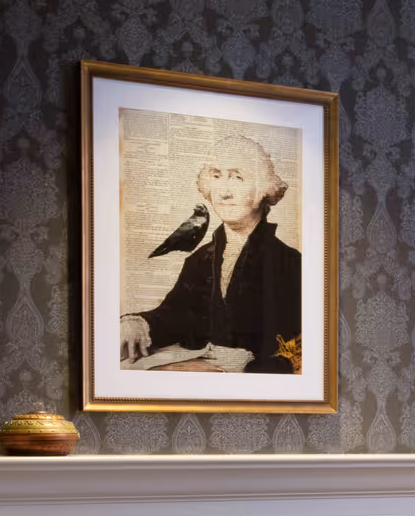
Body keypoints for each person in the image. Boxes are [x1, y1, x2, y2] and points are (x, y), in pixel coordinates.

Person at [121, 133, 301, 373]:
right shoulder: (200, 259)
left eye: (238, 177)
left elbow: (304, 348)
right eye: (216, 176)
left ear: (263, 189)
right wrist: (138, 323)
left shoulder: (291, 264)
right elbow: (175, 316)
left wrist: (252, 365)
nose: (224, 192)